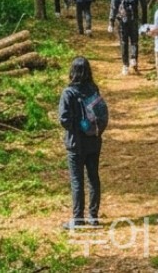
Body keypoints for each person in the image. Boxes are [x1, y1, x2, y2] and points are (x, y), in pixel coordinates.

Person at [58, 56, 104, 227]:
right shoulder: (94, 90)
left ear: (72, 72)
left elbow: (63, 120)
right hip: (94, 140)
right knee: (93, 178)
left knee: (77, 180)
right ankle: (93, 216)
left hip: (75, 144)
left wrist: (75, 125)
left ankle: (78, 218)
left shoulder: (68, 93)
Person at [107, 0, 148, 75]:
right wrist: (144, 21)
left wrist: (111, 22)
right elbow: (144, 5)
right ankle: (133, 59)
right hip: (134, 19)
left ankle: (125, 65)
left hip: (121, 21)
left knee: (124, 42)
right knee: (134, 41)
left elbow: (113, 7)